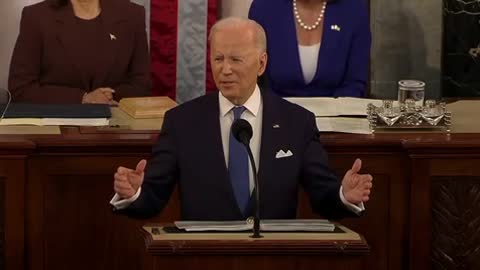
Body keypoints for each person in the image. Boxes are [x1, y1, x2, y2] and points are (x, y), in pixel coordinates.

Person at [110, 17, 372, 221]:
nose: (225, 69)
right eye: (218, 58)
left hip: (274, 257)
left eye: (236, 59)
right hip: (203, 257)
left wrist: (344, 195)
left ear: (261, 63)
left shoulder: (296, 121)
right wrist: (134, 193)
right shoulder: (182, 122)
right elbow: (154, 196)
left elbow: (322, 194)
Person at [8, 0, 151, 104]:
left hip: (119, 130)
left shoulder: (132, 15)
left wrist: (106, 97)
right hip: (55, 131)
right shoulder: (37, 17)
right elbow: (21, 89)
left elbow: (142, 84)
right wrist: (83, 98)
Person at [248, 0, 371, 97]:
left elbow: (355, 83)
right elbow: (255, 80)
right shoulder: (264, 8)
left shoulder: (354, 9)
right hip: (276, 116)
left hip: (336, 117)